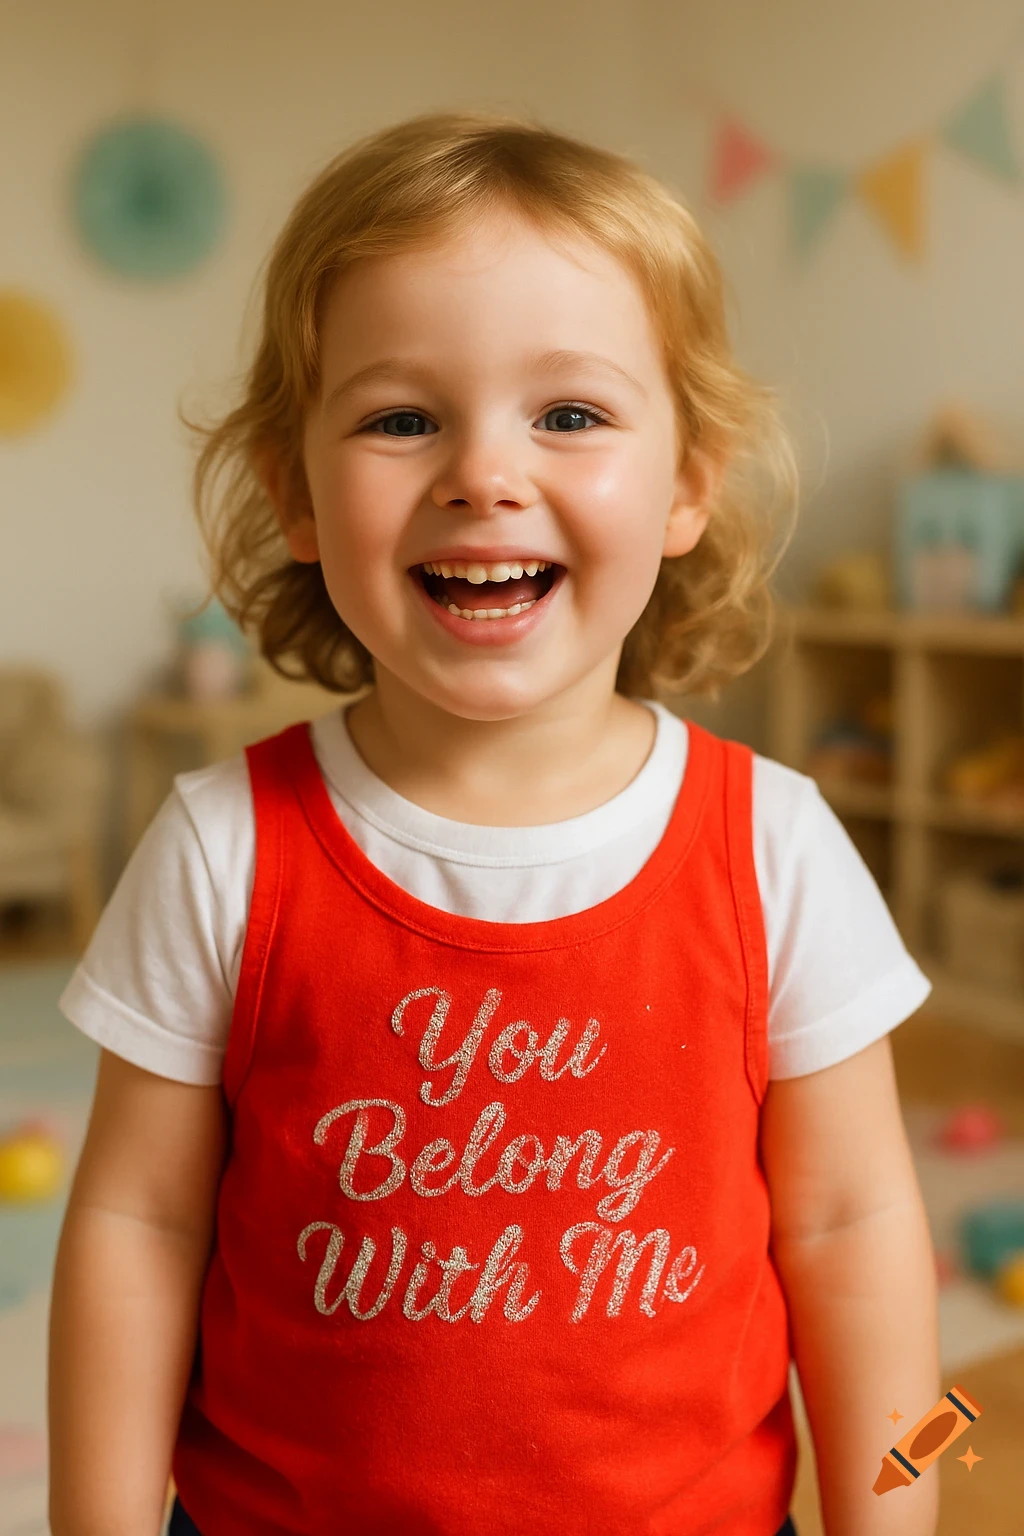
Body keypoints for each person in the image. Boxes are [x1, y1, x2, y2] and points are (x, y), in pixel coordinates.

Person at [48, 111, 940, 1536]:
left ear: (689, 485)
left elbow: (858, 1232)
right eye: (403, 419)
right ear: (292, 488)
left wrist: (898, 1511)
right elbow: (137, 1229)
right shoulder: (224, 848)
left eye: (569, 415)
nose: (483, 472)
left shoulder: (775, 846)